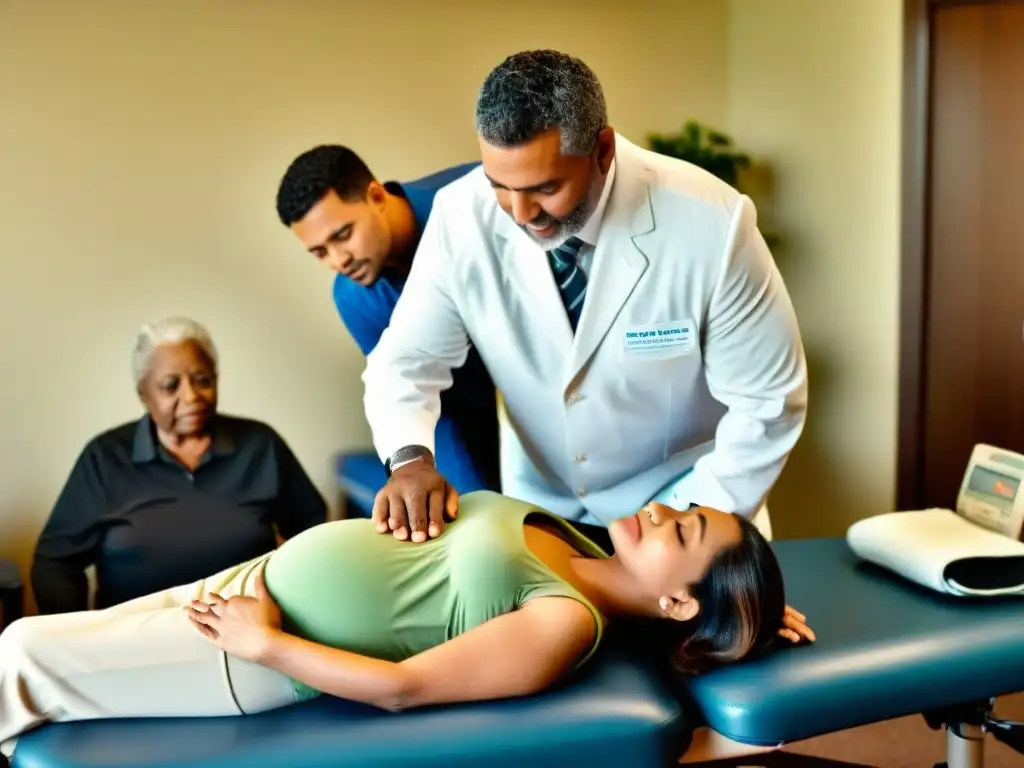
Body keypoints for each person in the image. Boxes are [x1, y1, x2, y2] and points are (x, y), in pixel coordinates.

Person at [361, 50, 813, 644]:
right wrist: (410, 458)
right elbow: (404, 364)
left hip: (678, 514)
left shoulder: (711, 223)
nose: (520, 214)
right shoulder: (459, 216)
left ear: (602, 150)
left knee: (712, 696)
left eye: (545, 187)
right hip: (544, 508)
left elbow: (768, 403)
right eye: (500, 185)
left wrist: (706, 579)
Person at [0, 491, 785, 758]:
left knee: (21, 653)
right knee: (44, 664)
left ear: (680, 603)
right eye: (684, 508)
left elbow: (403, 689)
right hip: (244, 590)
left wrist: (263, 641)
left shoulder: (563, 623)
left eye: (682, 533)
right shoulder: (578, 541)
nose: (661, 512)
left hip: (249, 654)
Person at [30, 317, 328, 614]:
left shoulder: (260, 444)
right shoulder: (105, 457)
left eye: (203, 380)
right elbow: (55, 561)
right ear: (143, 395)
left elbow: (314, 538)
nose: (191, 396)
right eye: (170, 386)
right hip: (133, 637)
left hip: (245, 635)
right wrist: (78, 635)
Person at [275, 147, 501, 495]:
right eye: (319, 252)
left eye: (342, 235)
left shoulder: (479, 196)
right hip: (464, 419)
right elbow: (408, 389)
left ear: (377, 197)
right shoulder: (353, 298)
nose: (338, 260)